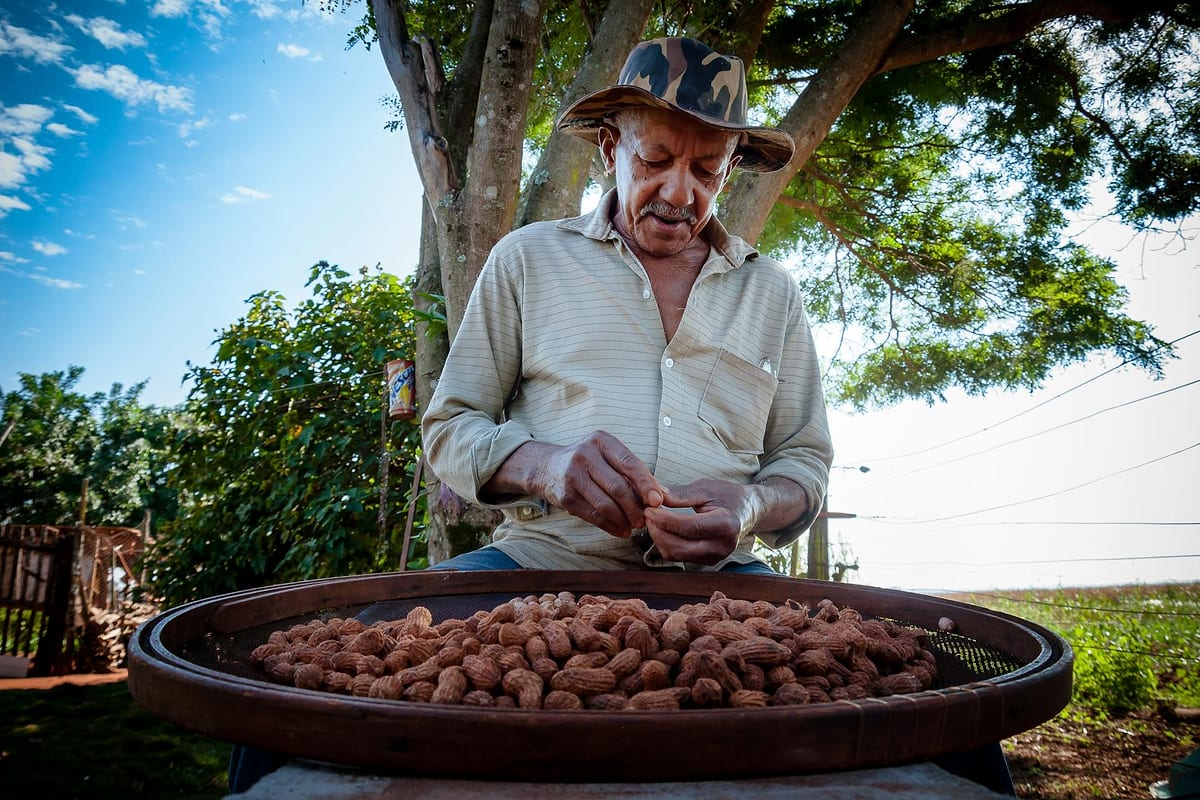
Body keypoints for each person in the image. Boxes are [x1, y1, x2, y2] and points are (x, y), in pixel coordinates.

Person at [422, 36, 832, 575]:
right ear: (611, 148)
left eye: (707, 171)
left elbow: (805, 462)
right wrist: (545, 466)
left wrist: (750, 506)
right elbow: (451, 425)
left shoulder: (772, 291)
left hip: (724, 577)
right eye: (654, 159)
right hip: (542, 559)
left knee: (850, 654)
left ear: (729, 172)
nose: (681, 193)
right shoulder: (527, 258)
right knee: (390, 636)